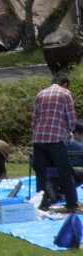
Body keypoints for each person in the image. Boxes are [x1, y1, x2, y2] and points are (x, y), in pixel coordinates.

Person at [33, 73, 79, 212]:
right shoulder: (65, 93)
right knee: (65, 172)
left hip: (39, 138)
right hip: (56, 139)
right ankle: (71, 204)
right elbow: (71, 118)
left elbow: (34, 119)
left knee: (41, 173)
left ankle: (42, 204)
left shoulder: (40, 94)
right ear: (64, 83)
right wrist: (69, 131)